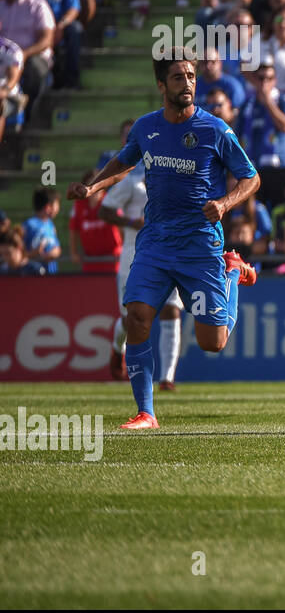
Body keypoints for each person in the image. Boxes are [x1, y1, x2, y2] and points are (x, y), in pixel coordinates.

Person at [66, 52, 259, 429]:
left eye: (190, 76)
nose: (186, 83)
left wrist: (225, 202)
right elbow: (122, 164)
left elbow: (251, 178)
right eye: (177, 77)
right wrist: (92, 187)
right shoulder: (145, 128)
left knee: (212, 343)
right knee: (137, 316)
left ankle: (232, 272)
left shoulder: (215, 130)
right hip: (155, 242)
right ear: (161, 85)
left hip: (200, 247)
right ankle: (145, 412)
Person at [99, 161, 185, 388]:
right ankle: (118, 349)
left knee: (171, 310)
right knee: (132, 318)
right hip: (134, 256)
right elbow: (104, 210)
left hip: (168, 255)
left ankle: (167, 378)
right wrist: (130, 222)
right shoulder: (131, 184)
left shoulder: (177, 185)